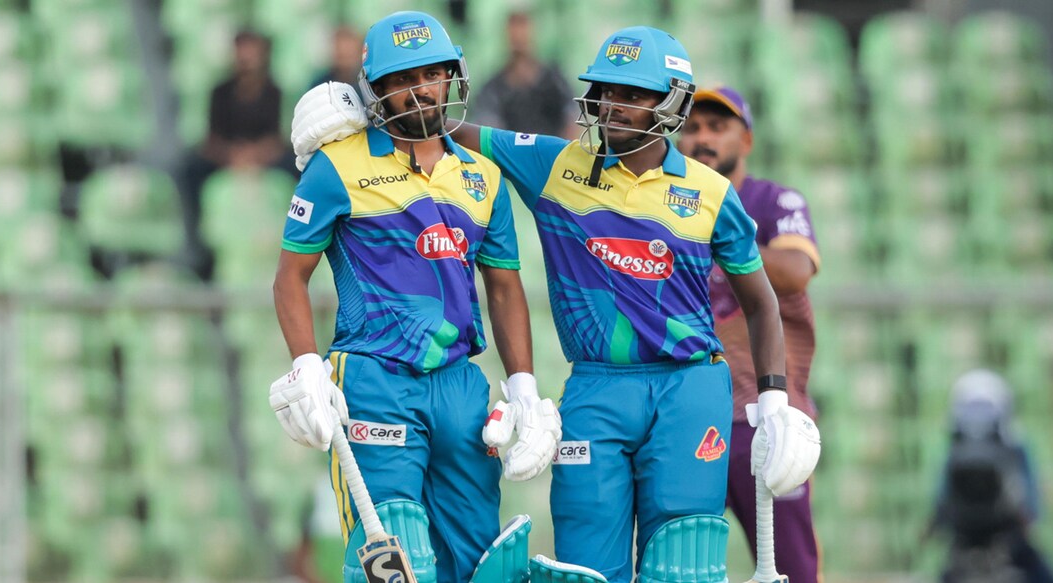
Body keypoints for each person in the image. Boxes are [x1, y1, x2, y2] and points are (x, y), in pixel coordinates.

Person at [291, 25, 821, 583]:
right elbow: (446, 127)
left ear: (673, 103)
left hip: (690, 387)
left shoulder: (713, 193)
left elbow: (762, 303)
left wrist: (776, 400)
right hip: (596, 386)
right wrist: (357, 117)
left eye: (635, 96)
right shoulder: (554, 164)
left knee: (684, 559)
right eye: (608, 92)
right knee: (586, 568)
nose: (616, 108)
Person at [270, 12, 561, 583]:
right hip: (375, 378)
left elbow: (503, 286)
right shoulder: (336, 165)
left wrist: (523, 385)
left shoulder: (484, 175)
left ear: (453, 77)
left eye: (432, 73)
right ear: (375, 89)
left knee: (480, 557)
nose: (420, 88)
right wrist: (306, 363)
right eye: (403, 78)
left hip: (460, 384)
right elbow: (289, 276)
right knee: (395, 555)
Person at [677, 86, 823, 583]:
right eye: (692, 128)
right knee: (681, 563)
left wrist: (718, 238)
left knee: (791, 567)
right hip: (687, 414)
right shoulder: (666, 205)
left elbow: (797, 269)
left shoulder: (772, 200)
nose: (703, 139)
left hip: (767, 414)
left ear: (748, 139)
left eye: (718, 127)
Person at [178, 28, 295, 279]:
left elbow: (280, 138)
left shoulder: (275, 91)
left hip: (266, 159)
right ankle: (196, 240)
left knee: (301, 168)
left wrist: (255, 156)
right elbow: (210, 139)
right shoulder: (219, 91)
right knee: (189, 169)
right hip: (227, 158)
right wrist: (233, 156)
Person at [928, 370, 1053, 583]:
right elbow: (1032, 507)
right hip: (968, 549)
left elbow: (1030, 506)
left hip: (1006, 547)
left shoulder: (1014, 448)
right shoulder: (1014, 448)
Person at [471, 10, 578, 138]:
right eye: (514, 29)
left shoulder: (555, 80)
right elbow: (489, 132)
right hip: (511, 155)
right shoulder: (493, 89)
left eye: (523, 28)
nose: (519, 36)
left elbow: (573, 120)